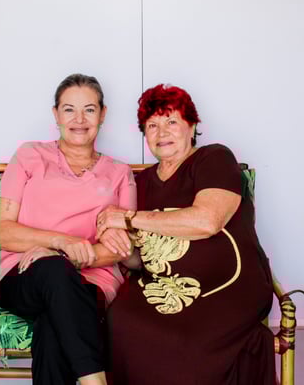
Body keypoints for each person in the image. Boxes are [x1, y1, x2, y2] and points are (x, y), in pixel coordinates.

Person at [97, 83, 275, 385]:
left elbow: (208, 221)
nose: (161, 132)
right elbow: (140, 259)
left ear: (191, 126)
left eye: (171, 121)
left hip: (227, 287)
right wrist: (119, 244)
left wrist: (128, 218)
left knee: (183, 343)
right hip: (161, 285)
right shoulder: (141, 183)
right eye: (152, 125)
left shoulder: (213, 158)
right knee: (121, 319)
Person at [0, 73, 136, 385]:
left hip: (92, 282)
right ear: (56, 115)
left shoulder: (119, 173)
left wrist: (61, 256)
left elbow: (119, 249)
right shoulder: (29, 155)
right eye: (69, 109)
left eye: (89, 110)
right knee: (54, 273)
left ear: (103, 114)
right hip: (23, 275)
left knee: (53, 323)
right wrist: (61, 242)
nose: (79, 119)